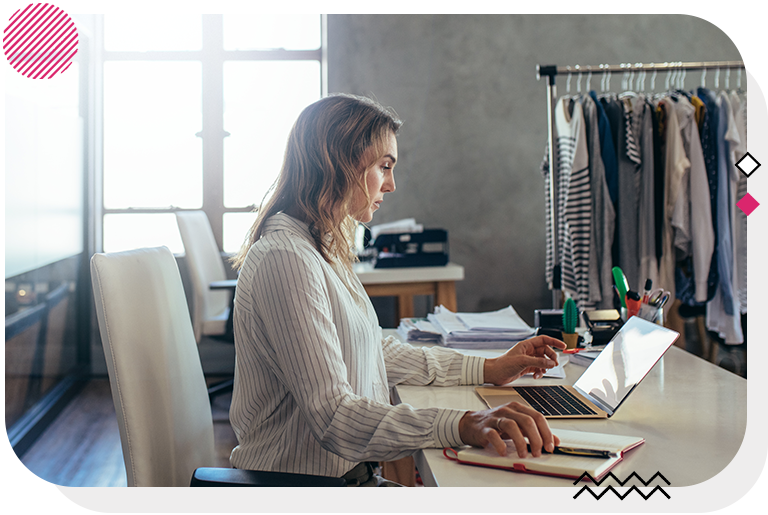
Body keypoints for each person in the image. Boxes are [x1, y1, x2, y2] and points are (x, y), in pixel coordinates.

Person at [228, 93, 566, 486]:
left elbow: (374, 348)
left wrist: (488, 368)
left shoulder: (321, 245)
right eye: (383, 166)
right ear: (339, 164)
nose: (391, 184)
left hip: (346, 479)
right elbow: (336, 418)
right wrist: (463, 424)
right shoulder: (286, 259)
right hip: (299, 488)